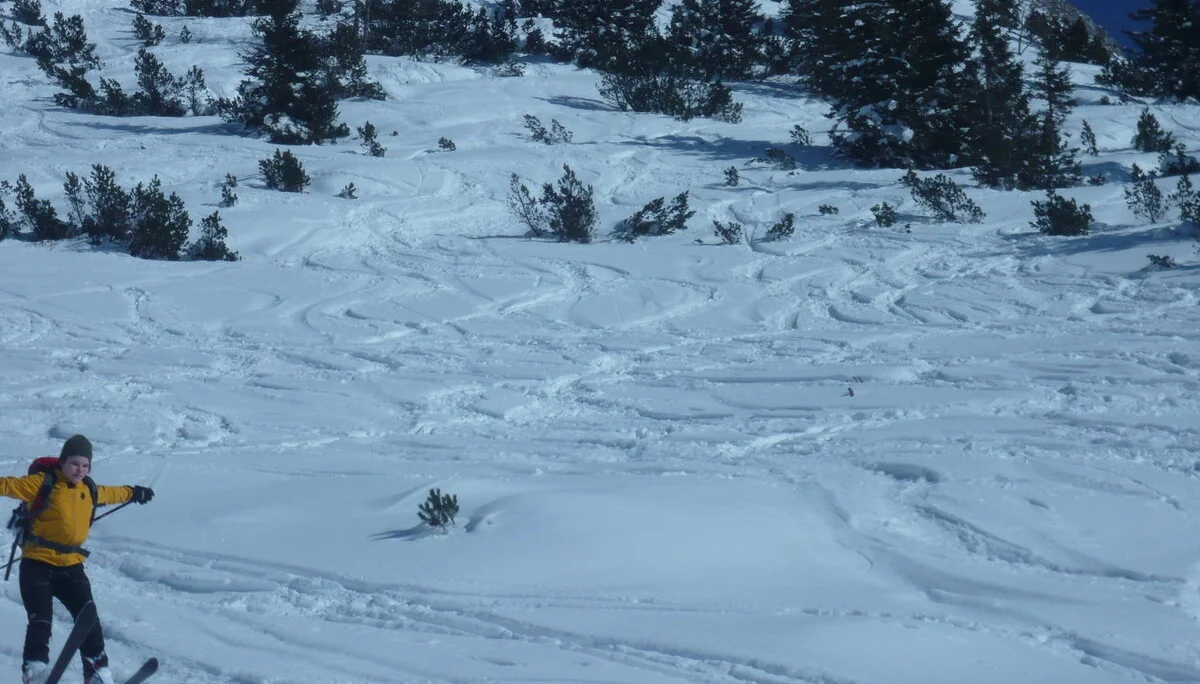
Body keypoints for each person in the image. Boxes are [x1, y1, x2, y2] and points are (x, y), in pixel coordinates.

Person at [0, 435, 155, 684]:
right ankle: (35, 671)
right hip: (37, 563)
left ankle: (96, 672)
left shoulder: (89, 489)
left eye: (85, 465)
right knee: (41, 620)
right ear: (62, 462)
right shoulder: (42, 483)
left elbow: (113, 493)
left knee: (89, 621)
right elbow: (7, 485)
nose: (79, 470)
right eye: (74, 463)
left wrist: (135, 492)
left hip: (71, 566)